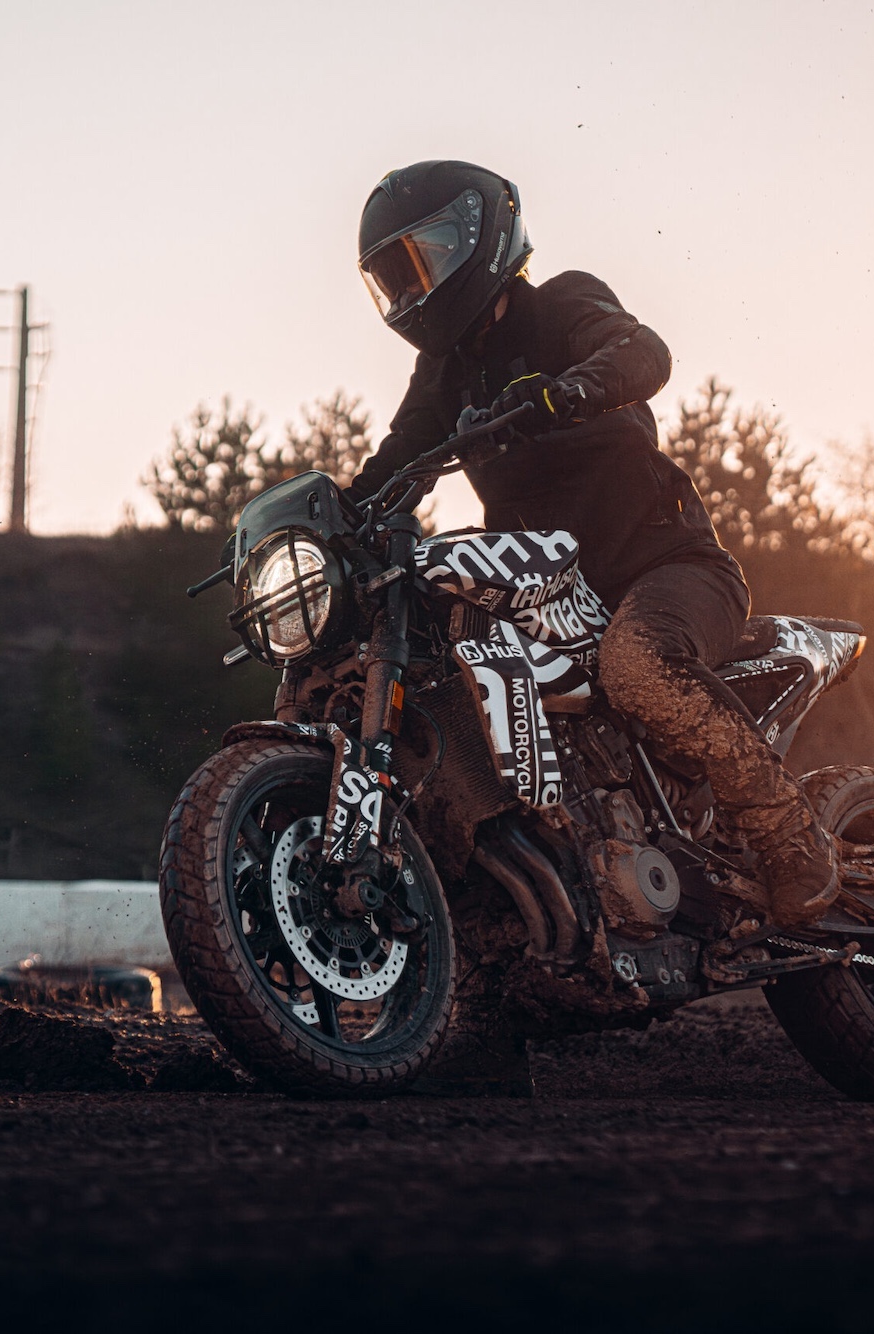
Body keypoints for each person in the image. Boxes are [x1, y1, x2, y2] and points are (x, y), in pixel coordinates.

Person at [346, 159, 838, 927]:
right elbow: (396, 462)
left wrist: (564, 391)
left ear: (480, 236)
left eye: (424, 260)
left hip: (665, 566)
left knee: (639, 667)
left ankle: (792, 838)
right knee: (451, 672)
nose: (412, 290)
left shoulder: (565, 304)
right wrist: (332, 519)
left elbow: (644, 353)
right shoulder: (443, 373)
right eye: (393, 277)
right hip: (549, 596)